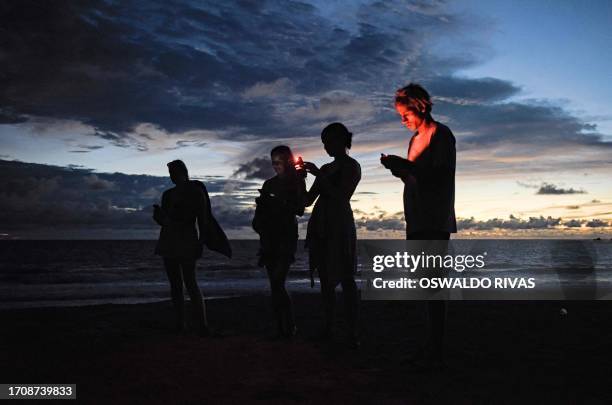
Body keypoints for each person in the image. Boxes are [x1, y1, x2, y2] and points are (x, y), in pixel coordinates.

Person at [380, 83, 456, 366]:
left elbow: (440, 174)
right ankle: (431, 343)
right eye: (400, 114)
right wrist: (399, 169)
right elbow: (415, 177)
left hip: (434, 218)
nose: (402, 119)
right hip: (416, 218)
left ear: (420, 106)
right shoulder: (415, 140)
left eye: (405, 112)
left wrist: (407, 167)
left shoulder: (441, 135)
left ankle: (436, 347)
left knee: (433, 283)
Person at [153, 159, 229, 336]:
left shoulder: (195, 192)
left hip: (187, 239)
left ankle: (202, 325)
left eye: (173, 173)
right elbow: (164, 221)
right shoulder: (167, 194)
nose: (171, 177)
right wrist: (157, 216)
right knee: (175, 284)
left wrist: (201, 242)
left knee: (190, 282)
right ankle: (180, 323)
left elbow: (202, 219)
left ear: (182, 172)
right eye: (170, 174)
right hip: (168, 239)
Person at [303, 123, 361, 347]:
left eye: (329, 141)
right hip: (321, 225)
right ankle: (329, 327)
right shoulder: (326, 168)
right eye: (324, 142)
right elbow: (308, 200)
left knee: (346, 278)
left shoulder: (352, 166)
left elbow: (341, 195)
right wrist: (300, 180)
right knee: (326, 281)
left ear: (342, 140)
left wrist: (319, 174)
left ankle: (352, 332)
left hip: (340, 225)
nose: (326, 146)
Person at [252, 145, 306, 338]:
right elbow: (262, 211)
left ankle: (290, 326)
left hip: (286, 237)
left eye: (280, 162)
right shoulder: (268, 184)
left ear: (288, 161)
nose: (276, 166)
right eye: (273, 162)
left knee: (278, 280)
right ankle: (280, 327)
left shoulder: (297, 181)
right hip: (269, 237)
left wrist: (281, 202)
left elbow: (300, 209)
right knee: (274, 284)